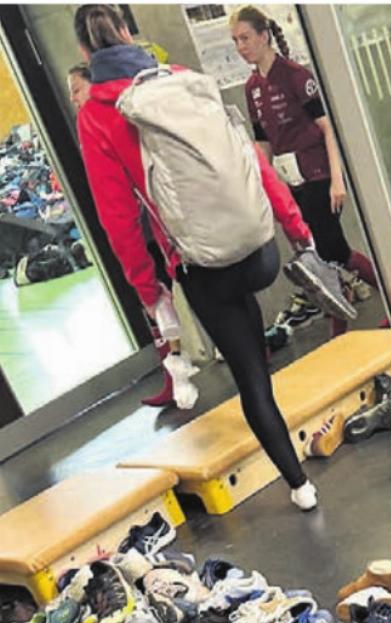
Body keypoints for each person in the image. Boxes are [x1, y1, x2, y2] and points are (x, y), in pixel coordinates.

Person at [73, 3, 325, 510]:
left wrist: (152, 295)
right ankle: (283, 409)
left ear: (84, 51)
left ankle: (300, 486)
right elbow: (248, 159)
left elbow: (118, 218)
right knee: (253, 331)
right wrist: (298, 230)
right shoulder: (183, 79)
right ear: (129, 31)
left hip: (200, 265)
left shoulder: (97, 115)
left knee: (250, 374)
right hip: (259, 252)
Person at [230, 5, 378, 339]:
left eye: (246, 38)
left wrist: (337, 180)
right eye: (235, 41)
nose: (241, 47)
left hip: (318, 174)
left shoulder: (296, 75)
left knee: (332, 250)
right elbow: (263, 142)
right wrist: (263, 187)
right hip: (289, 180)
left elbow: (327, 129)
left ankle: (366, 307)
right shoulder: (252, 89)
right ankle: (341, 321)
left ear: (264, 36)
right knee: (317, 255)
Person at [69, 59, 178, 408]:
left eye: (76, 89)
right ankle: (173, 376)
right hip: (138, 234)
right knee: (154, 305)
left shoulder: (122, 112)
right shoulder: (89, 126)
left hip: (163, 224)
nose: (73, 98)